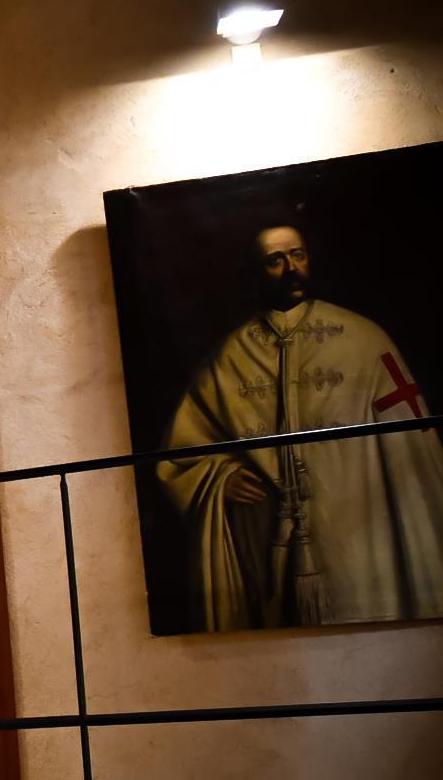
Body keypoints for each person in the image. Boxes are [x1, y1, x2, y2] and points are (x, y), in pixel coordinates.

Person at [157, 224, 443, 631]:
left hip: (359, 536)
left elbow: (413, 451)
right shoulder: (230, 356)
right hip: (270, 545)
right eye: (275, 260)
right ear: (256, 272)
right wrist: (223, 476)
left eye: (298, 255)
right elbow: (180, 458)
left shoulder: (364, 340)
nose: (291, 268)